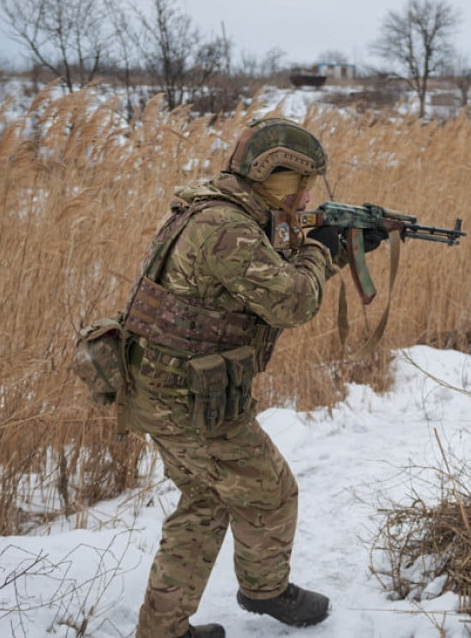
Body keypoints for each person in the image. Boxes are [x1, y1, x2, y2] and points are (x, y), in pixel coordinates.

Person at [121, 118, 384, 638]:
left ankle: (163, 631)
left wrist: (331, 239)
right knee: (272, 492)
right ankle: (265, 592)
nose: (305, 194)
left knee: (206, 499)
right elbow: (290, 301)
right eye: (297, 184)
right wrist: (325, 250)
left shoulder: (222, 207)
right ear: (271, 176)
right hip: (189, 400)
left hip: (161, 386)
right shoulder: (225, 226)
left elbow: (270, 259)